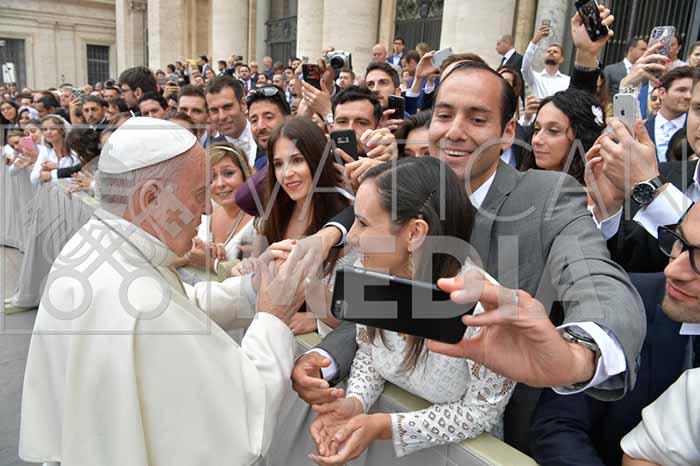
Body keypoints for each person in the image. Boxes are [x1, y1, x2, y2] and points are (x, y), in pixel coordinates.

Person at [293, 21, 644, 457]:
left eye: (477, 119)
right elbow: (379, 308)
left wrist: (579, 354)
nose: (455, 131)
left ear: (508, 130)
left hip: (497, 440)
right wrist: (327, 361)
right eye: (444, 115)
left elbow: (596, 278)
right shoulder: (409, 187)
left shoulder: (547, 196)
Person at [19, 116, 317, 466]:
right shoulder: (140, 303)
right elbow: (243, 412)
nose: (207, 208)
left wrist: (253, 287)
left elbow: (180, 305)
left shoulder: (96, 242)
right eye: (199, 194)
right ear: (151, 197)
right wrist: (273, 316)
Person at [308, 157, 517, 464]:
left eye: (363, 223)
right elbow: (371, 353)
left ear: (414, 233)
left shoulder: (483, 307)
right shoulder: (369, 271)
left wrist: (386, 426)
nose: (350, 236)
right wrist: (356, 402)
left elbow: (480, 413)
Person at [250, 116, 350, 336]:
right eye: (278, 164)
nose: (287, 174)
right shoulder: (273, 213)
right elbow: (259, 282)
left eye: (297, 160)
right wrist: (250, 271)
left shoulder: (348, 222)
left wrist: (316, 319)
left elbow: (356, 316)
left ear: (317, 159)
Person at [176, 142, 255, 274]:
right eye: (211, 177)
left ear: (246, 174)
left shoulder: (260, 221)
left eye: (228, 173)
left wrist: (212, 263)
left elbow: (258, 277)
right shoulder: (203, 214)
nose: (220, 184)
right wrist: (192, 253)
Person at [205, 75, 259, 167]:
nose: (222, 116)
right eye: (214, 110)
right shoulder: (208, 152)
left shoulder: (267, 137)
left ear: (243, 104)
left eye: (227, 107)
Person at [644, 66, 693, 162]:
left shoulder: (695, 130)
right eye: (681, 90)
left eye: (692, 91)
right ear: (662, 93)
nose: (688, 96)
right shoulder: (642, 128)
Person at [522, 24, 571, 101]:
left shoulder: (567, 81)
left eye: (555, 52)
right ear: (544, 57)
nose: (551, 52)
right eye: (548, 51)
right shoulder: (535, 78)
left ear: (561, 59)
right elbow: (525, 67)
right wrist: (534, 41)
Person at [30, 115, 80, 185]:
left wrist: (57, 167)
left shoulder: (74, 151)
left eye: (53, 128)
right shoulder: (46, 150)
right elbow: (33, 179)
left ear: (62, 130)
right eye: (45, 129)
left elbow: (76, 176)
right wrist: (43, 170)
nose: (48, 132)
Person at [364, 61, 405, 131]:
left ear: (398, 92)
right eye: (370, 84)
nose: (375, 89)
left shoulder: (409, 124)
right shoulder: (353, 122)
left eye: (383, 83)